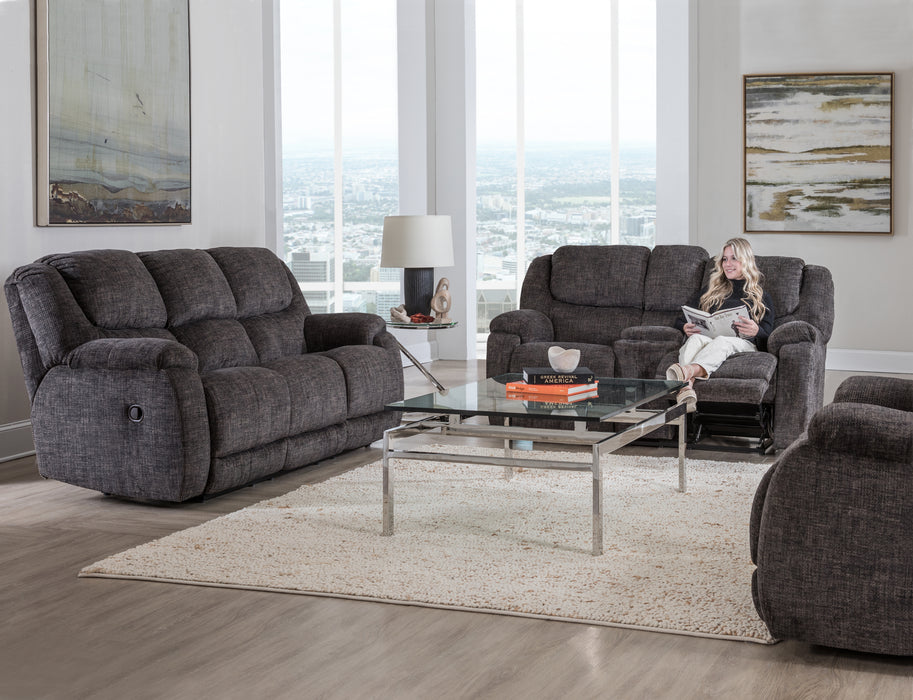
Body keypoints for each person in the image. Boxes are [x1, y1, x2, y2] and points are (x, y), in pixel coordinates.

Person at [667, 238, 775, 404]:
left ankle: (687, 372)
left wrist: (757, 331)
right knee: (694, 339)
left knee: (722, 341)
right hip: (710, 339)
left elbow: (769, 334)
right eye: (724, 259)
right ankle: (686, 389)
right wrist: (684, 327)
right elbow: (681, 318)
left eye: (734, 258)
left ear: (745, 260)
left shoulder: (761, 296)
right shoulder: (711, 290)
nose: (727, 264)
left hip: (744, 343)